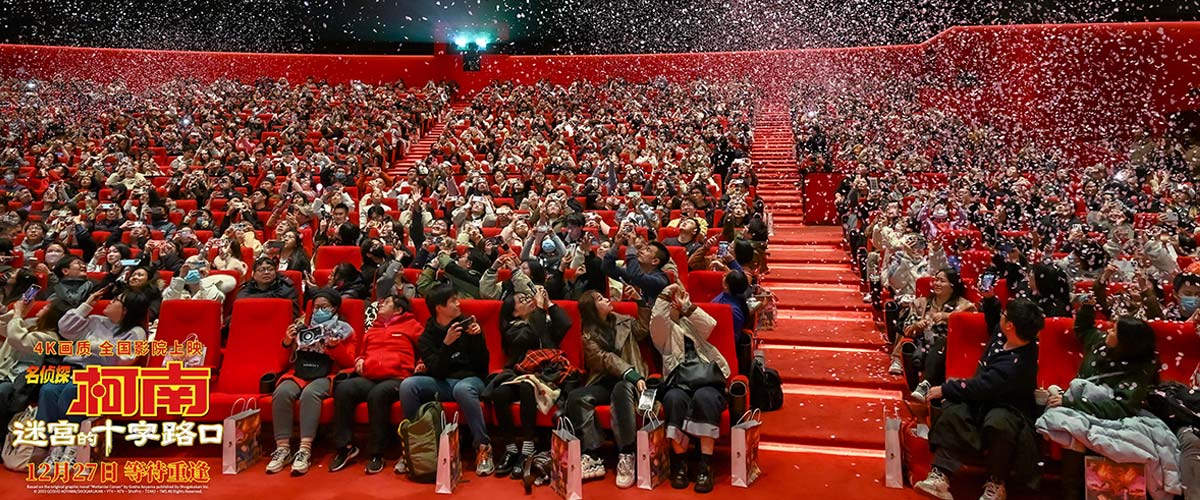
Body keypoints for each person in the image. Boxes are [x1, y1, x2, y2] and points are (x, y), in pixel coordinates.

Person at [915, 294, 1045, 500]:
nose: (1001, 317)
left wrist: (947, 388)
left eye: (1004, 315)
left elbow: (985, 385)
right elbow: (994, 321)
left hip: (1010, 407)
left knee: (999, 424)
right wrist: (992, 302)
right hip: (984, 398)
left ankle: (996, 481)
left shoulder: (1020, 362)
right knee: (955, 412)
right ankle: (940, 476)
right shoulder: (1005, 335)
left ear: (1010, 325)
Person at [1046, 298, 1160, 500]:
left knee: (1082, 432)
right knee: (1069, 427)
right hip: (1081, 406)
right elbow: (1083, 329)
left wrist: (1071, 403)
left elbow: (1120, 407)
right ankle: (1070, 494)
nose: (1108, 331)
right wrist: (1087, 307)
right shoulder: (1101, 343)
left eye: (1114, 331)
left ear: (1127, 342)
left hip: (1117, 416)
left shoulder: (1141, 367)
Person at [40, 289, 151, 465]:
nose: (110, 301)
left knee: (71, 391)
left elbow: (127, 360)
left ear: (126, 310)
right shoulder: (95, 321)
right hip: (72, 369)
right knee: (48, 389)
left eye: (116, 300)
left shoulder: (136, 332)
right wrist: (86, 305)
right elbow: (65, 329)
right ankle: (51, 444)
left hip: (101, 376)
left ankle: (73, 443)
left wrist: (99, 347)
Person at [397, 284, 494, 476]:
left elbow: (482, 366)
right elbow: (437, 371)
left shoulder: (467, 325)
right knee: (408, 385)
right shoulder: (427, 336)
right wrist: (446, 345)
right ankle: (416, 444)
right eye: (452, 301)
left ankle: (483, 447)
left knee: (462, 389)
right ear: (439, 308)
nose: (459, 304)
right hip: (441, 382)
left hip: (470, 380)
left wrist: (477, 338)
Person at [485, 285, 573, 480]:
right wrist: (540, 310)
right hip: (519, 373)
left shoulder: (543, 320)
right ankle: (510, 448)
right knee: (499, 394)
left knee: (527, 386)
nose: (529, 300)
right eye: (523, 301)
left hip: (547, 374)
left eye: (528, 298)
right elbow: (529, 338)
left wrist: (548, 303)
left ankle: (528, 447)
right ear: (514, 312)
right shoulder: (512, 329)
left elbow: (566, 324)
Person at [328, 294, 422, 474]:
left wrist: (420, 364)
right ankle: (344, 447)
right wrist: (360, 360)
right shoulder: (373, 328)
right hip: (371, 375)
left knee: (378, 394)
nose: (380, 305)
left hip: (397, 377)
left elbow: (426, 348)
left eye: (386, 303)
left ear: (398, 309)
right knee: (344, 389)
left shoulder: (412, 326)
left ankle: (377, 452)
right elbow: (361, 353)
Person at [565, 289, 649, 489]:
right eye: (601, 299)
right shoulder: (588, 334)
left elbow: (643, 330)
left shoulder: (623, 320)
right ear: (592, 309)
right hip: (604, 379)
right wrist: (629, 373)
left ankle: (627, 452)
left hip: (630, 380)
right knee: (576, 397)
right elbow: (603, 359)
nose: (607, 299)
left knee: (621, 389)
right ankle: (592, 453)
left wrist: (640, 302)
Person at [266, 288, 356, 476]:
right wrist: (287, 341)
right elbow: (282, 362)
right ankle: (282, 449)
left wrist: (334, 346)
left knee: (310, 394)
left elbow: (349, 362)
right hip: (300, 372)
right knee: (282, 392)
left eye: (324, 307)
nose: (318, 311)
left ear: (334, 309)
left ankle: (304, 450)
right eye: (316, 307)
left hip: (327, 374)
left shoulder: (344, 330)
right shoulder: (301, 326)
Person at [650, 283, 729, 494]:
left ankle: (705, 465)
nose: (674, 303)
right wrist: (664, 296)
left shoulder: (688, 321)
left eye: (676, 299)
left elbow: (709, 325)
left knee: (705, 398)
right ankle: (680, 464)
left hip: (707, 378)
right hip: (679, 380)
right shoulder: (663, 333)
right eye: (671, 301)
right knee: (674, 400)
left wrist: (688, 308)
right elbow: (658, 320)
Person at [0, 298, 67, 443]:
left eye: (47, 307)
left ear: (53, 315)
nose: (41, 308)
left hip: (20, 380)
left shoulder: (51, 338)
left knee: (2, 391)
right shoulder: (33, 325)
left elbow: (17, 338)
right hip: (6, 372)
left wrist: (18, 314)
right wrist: (21, 312)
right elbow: (4, 326)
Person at [904, 268, 978, 396]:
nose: (937, 283)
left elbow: (971, 331)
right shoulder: (921, 303)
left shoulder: (966, 306)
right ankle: (924, 386)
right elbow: (907, 330)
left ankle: (926, 383)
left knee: (941, 342)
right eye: (936, 280)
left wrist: (949, 317)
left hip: (951, 348)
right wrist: (916, 326)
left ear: (952, 285)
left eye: (942, 281)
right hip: (924, 343)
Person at [237, 257, 301, 318]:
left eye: (270, 269)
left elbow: (293, 314)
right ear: (253, 274)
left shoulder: (286, 289)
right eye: (261, 270)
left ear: (276, 272)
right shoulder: (246, 290)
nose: (266, 272)